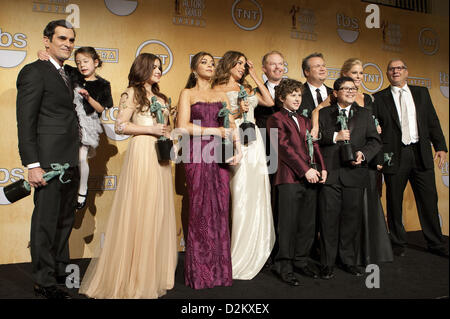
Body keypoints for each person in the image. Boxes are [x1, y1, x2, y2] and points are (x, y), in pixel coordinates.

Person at [79, 53, 177, 298]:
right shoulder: (131, 93)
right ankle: (134, 275)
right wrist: (150, 129)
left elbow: (167, 125)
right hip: (143, 151)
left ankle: (154, 272)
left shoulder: (162, 97)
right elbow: (120, 125)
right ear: (142, 68)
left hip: (161, 155)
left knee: (158, 210)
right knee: (141, 208)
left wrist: (167, 131)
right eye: (153, 67)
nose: (158, 70)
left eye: (160, 67)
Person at [16, 20, 79, 299]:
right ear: (47, 40)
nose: (67, 44)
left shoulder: (68, 74)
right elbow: (25, 121)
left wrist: (53, 59)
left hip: (71, 161)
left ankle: (57, 273)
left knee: (64, 221)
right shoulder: (34, 72)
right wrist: (32, 164)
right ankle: (43, 281)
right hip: (48, 164)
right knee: (45, 221)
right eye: (62, 38)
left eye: (71, 40)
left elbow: (88, 72)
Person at [176, 51, 242, 289]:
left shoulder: (222, 94)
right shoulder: (188, 93)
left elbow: (231, 124)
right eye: (204, 62)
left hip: (221, 156)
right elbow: (182, 127)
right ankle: (200, 273)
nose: (209, 65)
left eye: (212, 62)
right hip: (197, 154)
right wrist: (215, 132)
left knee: (220, 209)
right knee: (200, 210)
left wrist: (238, 148)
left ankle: (219, 272)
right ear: (194, 69)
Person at [373, 59, 448, 258]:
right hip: (394, 155)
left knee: (429, 200)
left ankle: (435, 243)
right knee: (394, 200)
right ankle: (397, 242)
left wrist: (440, 146)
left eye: (399, 68)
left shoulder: (421, 93)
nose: (395, 71)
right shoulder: (378, 98)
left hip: (420, 152)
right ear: (387, 73)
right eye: (391, 69)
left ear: (407, 72)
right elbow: (375, 130)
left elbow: (432, 120)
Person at [212, 51, 275, 280]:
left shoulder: (248, 89)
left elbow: (269, 101)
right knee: (238, 193)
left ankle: (256, 248)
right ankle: (234, 252)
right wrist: (239, 110)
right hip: (233, 138)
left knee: (257, 192)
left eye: (243, 64)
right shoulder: (216, 89)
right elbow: (218, 116)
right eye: (237, 63)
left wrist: (255, 75)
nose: (241, 67)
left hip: (253, 140)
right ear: (227, 64)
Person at [318, 77, 381, 279]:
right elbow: (316, 138)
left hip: (355, 174)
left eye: (353, 88)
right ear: (335, 93)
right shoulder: (324, 113)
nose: (351, 91)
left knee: (351, 221)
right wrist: (334, 137)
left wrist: (363, 154)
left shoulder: (365, 114)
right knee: (328, 221)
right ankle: (327, 262)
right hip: (331, 173)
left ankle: (348, 260)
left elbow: (375, 141)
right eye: (345, 88)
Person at [266, 78, 327, 286]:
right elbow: (284, 148)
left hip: (311, 177)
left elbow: (314, 145)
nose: (297, 98)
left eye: (299, 95)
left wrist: (322, 167)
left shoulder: (306, 120)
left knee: (307, 224)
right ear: (282, 97)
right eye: (292, 95)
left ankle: (301, 260)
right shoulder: (275, 119)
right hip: (289, 178)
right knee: (288, 224)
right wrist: (305, 170)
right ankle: (283, 265)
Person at [38, 47, 114, 210]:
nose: (82, 65)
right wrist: (42, 54)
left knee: (81, 157)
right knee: (64, 157)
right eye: (78, 62)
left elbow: (101, 109)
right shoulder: (72, 74)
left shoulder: (103, 84)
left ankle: (83, 190)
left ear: (95, 62)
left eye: (85, 61)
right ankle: (62, 188)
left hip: (87, 123)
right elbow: (54, 64)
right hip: (68, 121)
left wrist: (88, 97)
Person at [298, 52, 333, 121]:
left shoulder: (334, 93)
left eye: (323, 66)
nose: (322, 69)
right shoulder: (297, 92)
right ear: (307, 72)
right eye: (317, 66)